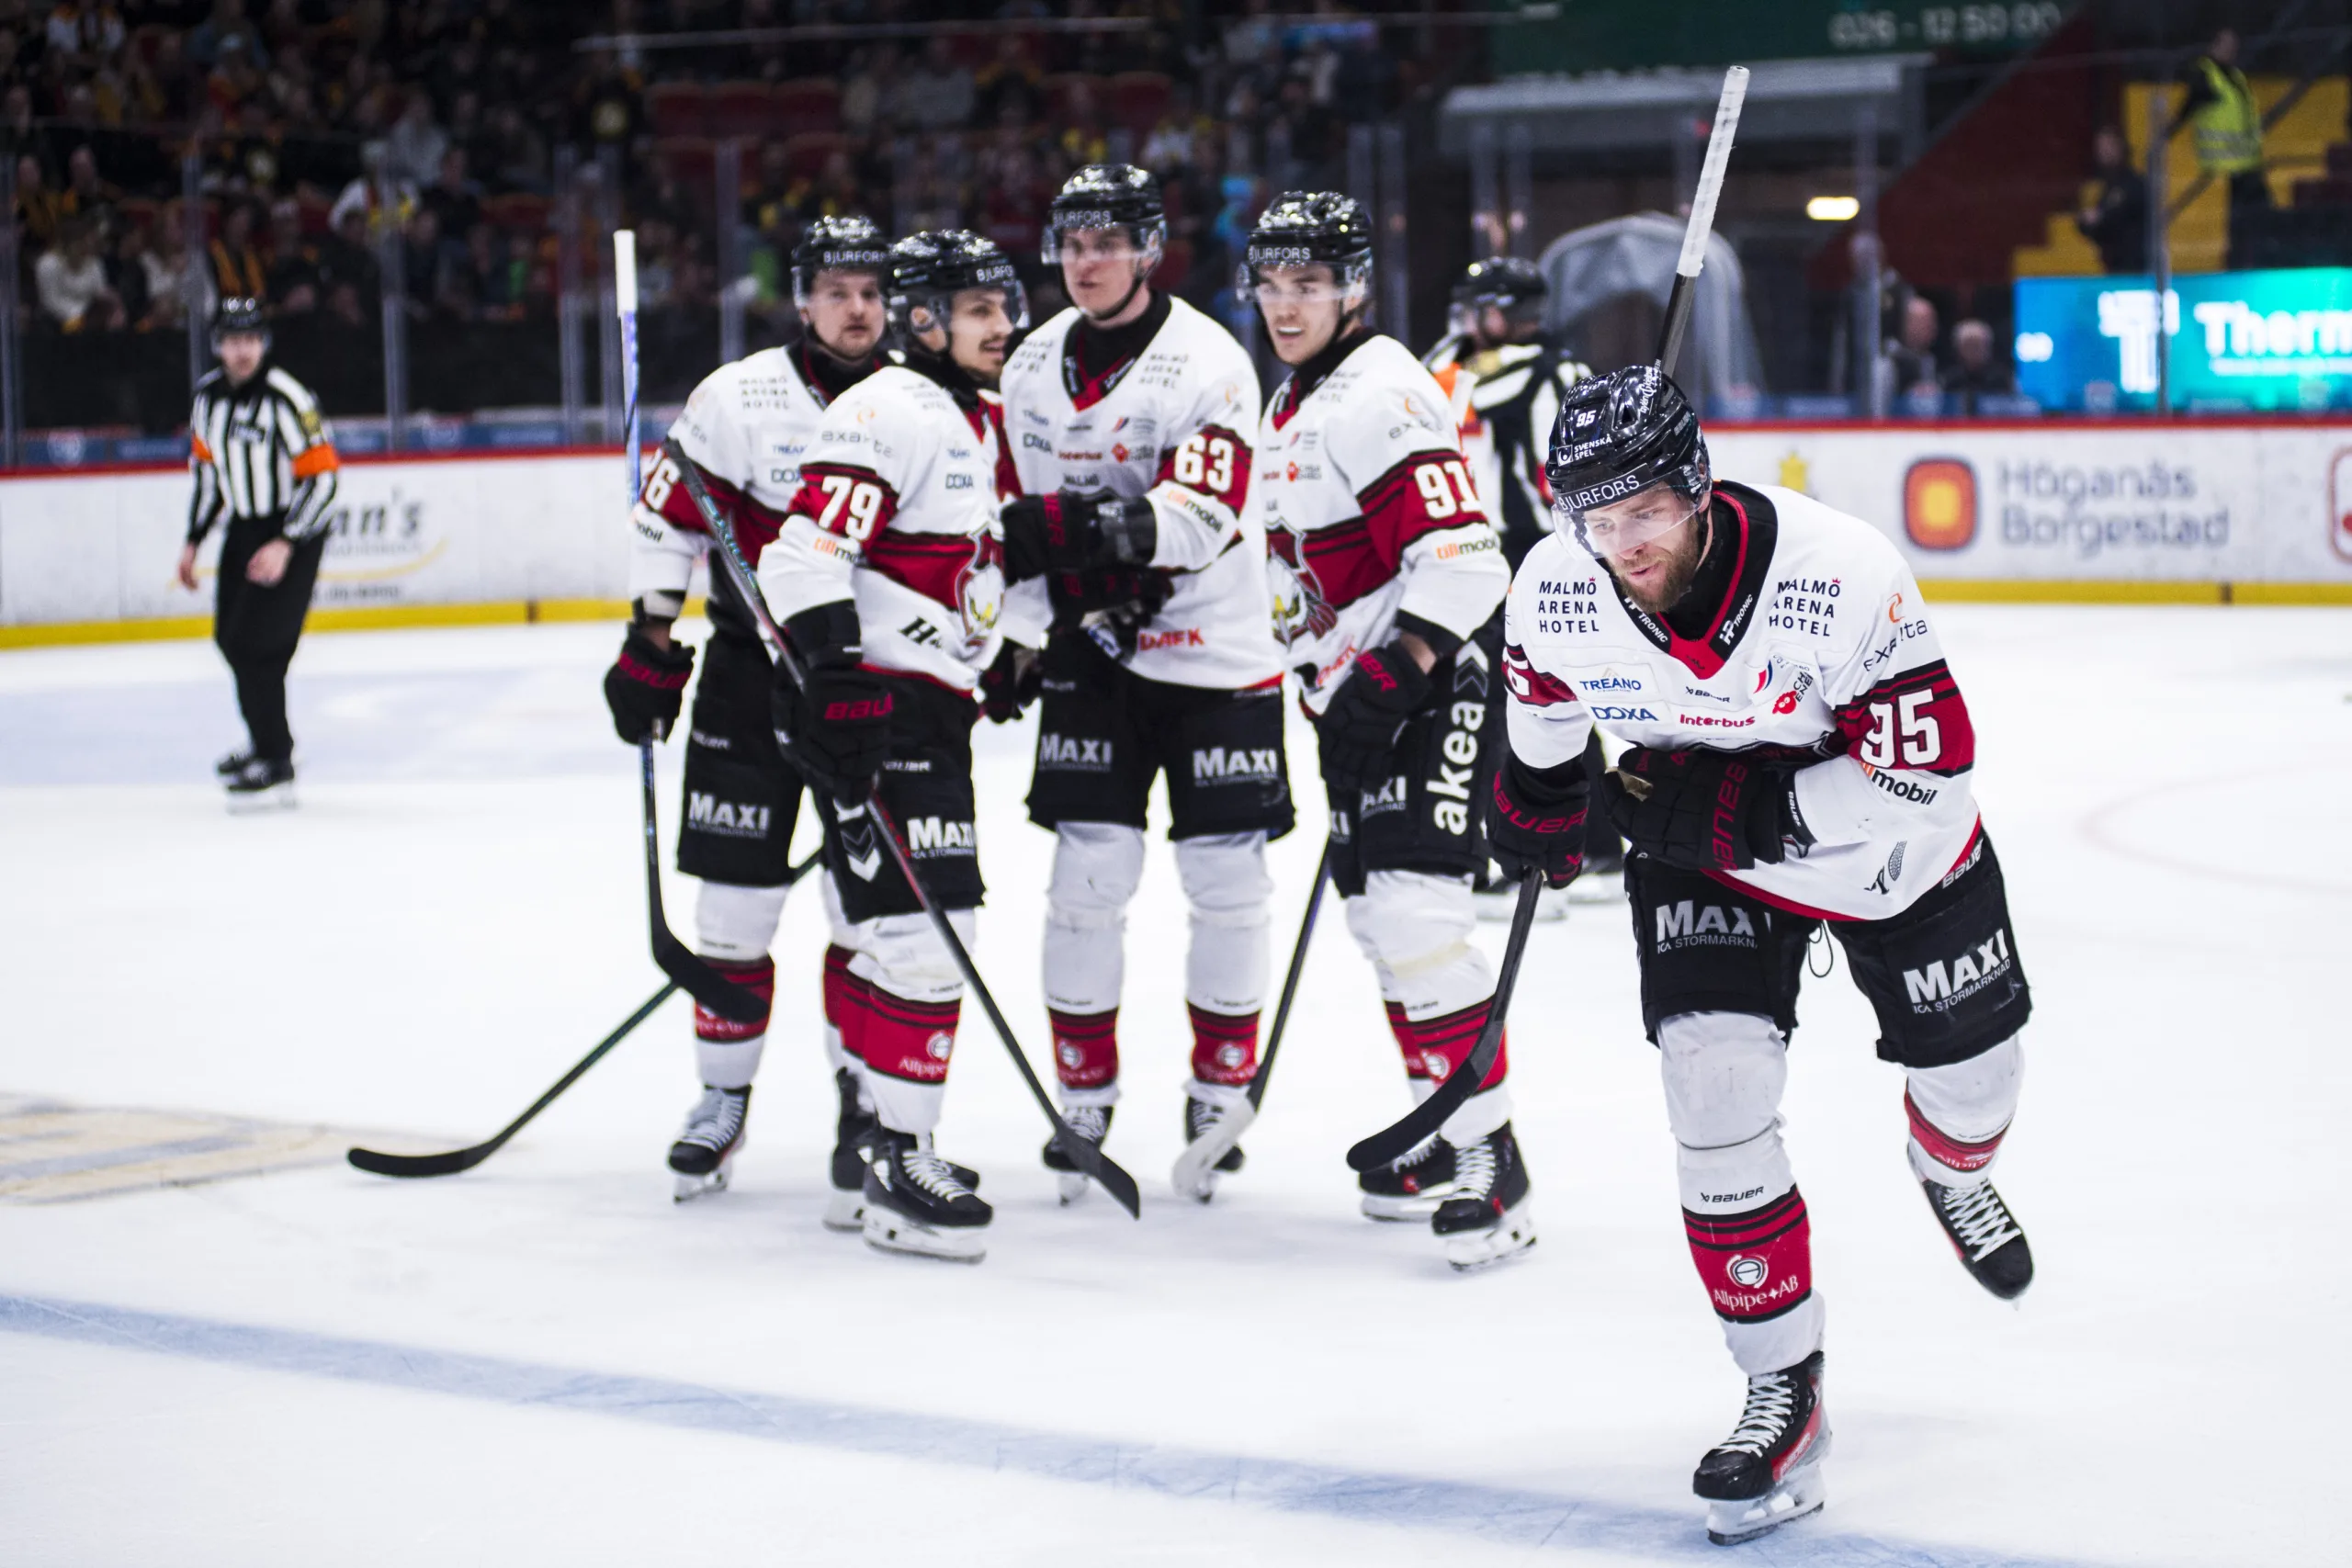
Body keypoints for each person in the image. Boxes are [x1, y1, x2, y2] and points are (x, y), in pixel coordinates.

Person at [1488, 366, 2033, 1545]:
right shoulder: (1557, 582)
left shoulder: (1839, 574)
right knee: (1713, 1095)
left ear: (1697, 487)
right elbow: (1537, 692)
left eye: (1644, 511)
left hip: (1897, 862)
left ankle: (1951, 1166)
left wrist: (1751, 813)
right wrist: (1532, 792)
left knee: (1976, 1090)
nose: (1620, 542)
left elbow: (1925, 770)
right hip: (1703, 861)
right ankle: (1782, 1387)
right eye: (1595, 515)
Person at [992, 164, 1287, 1203]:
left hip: (1217, 659)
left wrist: (1072, 540)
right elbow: (1017, 531)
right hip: (1094, 659)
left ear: (1151, 249)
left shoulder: (1209, 361)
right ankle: (1084, 1096)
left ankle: (1218, 1090)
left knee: (1226, 888)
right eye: (1070, 242)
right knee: (1085, 885)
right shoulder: (1029, 366)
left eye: (1106, 242)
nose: (1085, 262)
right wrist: (1022, 637)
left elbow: (1200, 522)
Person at [1248, 192, 1530, 1270]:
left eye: (1308, 283)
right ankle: (1437, 1124)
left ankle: (1492, 1159)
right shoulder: (1298, 394)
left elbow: (1464, 556)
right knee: (1382, 927)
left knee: (1418, 918)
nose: (1286, 303)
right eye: (1271, 284)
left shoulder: (1380, 391)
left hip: (1429, 682)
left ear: (1353, 287)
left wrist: (1397, 666)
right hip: (1353, 690)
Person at [605, 216, 894, 1211]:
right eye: (836, 290)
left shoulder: (917, 401)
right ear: (803, 298)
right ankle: (720, 1101)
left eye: (871, 291)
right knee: (732, 909)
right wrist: (649, 642)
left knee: (867, 914)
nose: (855, 309)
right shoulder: (736, 398)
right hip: (743, 671)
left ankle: (866, 1100)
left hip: (865, 683)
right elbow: (666, 518)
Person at [752, 231, 1021, 1263]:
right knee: (924, 935)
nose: (1005, 327)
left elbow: (949, 564)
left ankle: (871, 1145)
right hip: (886, 716)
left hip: (920, 706)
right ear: (923, 322)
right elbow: (802, 554)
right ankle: (904, 1163)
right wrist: (838, 679)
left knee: (876, 930)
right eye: (982, 310)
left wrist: (985, 652)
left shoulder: (957, 412)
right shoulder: (889, 409)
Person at [1420, 254, 1620, 919]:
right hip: (1474, 554)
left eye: (1479, 306)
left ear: (1505, 311)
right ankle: (1571, 845)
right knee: (1515, 700)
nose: (1467, 319)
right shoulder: (1454, 364)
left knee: (1527, 700)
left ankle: (1555, 848)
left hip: (1525, 558)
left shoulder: (1551, 374)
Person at [175, 297, 342, 809]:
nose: (242, 350)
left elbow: (324, 480)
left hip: (294, 531)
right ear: (218, 345)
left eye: (250, 339)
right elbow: (208, 477)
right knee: (230, 639)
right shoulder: (207, 401)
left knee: (261, 647)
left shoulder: (287, 397)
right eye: (232, 340)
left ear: (262, 342)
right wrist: (193, 539)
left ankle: (275, 756)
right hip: (246, 529)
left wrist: (287, 542)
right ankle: (264, 745)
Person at [2178, 27, 2266, 269]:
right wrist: (2169, 130)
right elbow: (2190, 103)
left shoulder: (2235, 75)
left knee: (2259, 217)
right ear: (2213, 45)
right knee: (2237, 223)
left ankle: (2254, 260)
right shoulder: (2204, 73)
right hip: (2222, 166)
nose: (2231, 50)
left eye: (2234, 45)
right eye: (2225, 44)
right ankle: (2237, 262)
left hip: (2247, 163)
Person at [2075, 125, 2147, 275]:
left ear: (2119, 145)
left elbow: (2117, 216)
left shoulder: (2134, 184)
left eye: (2107, 145)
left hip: (2135, 269)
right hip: (2114, 268)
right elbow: (2093, 227)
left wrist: (2100, 216)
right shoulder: (2107, 187)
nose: (2103, 151)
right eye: (2099, 147)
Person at [1939, 319, 2011, 414]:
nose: (1973, 351)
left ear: (1988, 347)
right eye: (1969, 345)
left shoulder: (2001, 378)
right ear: (1958, 348)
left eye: (1977, 345)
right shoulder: (1949, 379)